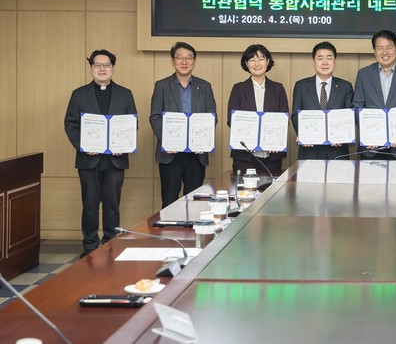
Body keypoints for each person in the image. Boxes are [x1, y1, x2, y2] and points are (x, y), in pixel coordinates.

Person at [64, 49, 137, 257]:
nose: (102, 69)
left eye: (106, 65)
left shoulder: (125, 94)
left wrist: (123, 145)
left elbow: (132, 124)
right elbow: (70, 124)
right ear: (91, 68)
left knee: (112, 205)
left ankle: (110, 245)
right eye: (98, 65)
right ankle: (90, 246)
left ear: (113, 68)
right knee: (89, 205)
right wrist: (83, 145)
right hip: (88, 159)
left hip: (115, 160)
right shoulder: (79, 94)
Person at [150, 42, 217, 208]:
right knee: (169, 201)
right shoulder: (162, 86)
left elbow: (211, 117)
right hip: (170, 154)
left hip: (196, 154)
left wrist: (203, 141)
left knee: (193, 202)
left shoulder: (205, 86)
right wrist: (168, 141)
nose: (184, 62)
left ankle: (191, 227)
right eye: (179, 58)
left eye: (188, 58)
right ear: (172, 61)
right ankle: (169, 226)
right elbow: (155, 117)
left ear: (194, 61)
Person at [353, 30, 396, 159]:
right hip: (371, 147)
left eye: (389, 47)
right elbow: (357, 107)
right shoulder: (364, 74)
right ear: (374, 52)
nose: (385, 52)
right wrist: (370, 134)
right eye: (380, 48)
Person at [227, 44, 289, 175]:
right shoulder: (238, 89)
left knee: (271, 188)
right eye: (252, 60)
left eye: (261, 59)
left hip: (272, 156)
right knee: (244, 188)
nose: (257, 64)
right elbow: (232, 121)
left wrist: (274, 141)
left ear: (268, 61)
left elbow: (284, 120)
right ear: (246, 63)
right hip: (245, 157)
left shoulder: (278, 89)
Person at [291, 41, 354, 160]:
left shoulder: (345, 86)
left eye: (329, 58)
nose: (325, 62)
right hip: (309, 151)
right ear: (313, 61)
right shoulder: (301, 86)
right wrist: (304, 134)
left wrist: (342, 136)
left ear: (335, 61)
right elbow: (295, 115)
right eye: (320, 58)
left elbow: (349, 116)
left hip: (337, 153)